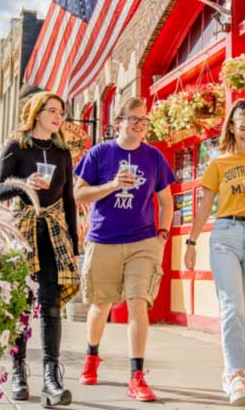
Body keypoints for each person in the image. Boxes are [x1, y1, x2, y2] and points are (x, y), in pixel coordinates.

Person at [184, 99, 245, 407]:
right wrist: (191, 242)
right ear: (231, 126)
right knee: (232, 306)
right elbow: (204, 207)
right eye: (243, 129)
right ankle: (237, 375)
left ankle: (230, 372)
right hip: (225, 235)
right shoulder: (218, 163)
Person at [74, 97, 175, 402]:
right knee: (101, 304)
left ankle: (137, 375)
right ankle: (91, 356)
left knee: (137, 302)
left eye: (144, 121)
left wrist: (162, 235)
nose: (140, 126)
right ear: (117, 122)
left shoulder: (154, 157)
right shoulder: (100, 153)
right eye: (133, 120)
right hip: (104, 238)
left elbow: (167, 202)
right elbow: (78, 193)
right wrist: (112, 185)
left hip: (143, 241)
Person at [0, 91, 79, 408]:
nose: (59, 117)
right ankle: (17, 371)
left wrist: (74, 243)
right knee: (22, 305)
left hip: (53, 234)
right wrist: (25, 183)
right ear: (37, 112)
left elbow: (68, 198)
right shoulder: (17, 146)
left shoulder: (61, 153)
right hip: (22, 232)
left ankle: (52, 378)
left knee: (52, 305)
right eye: (53, 110)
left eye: (62, 112)